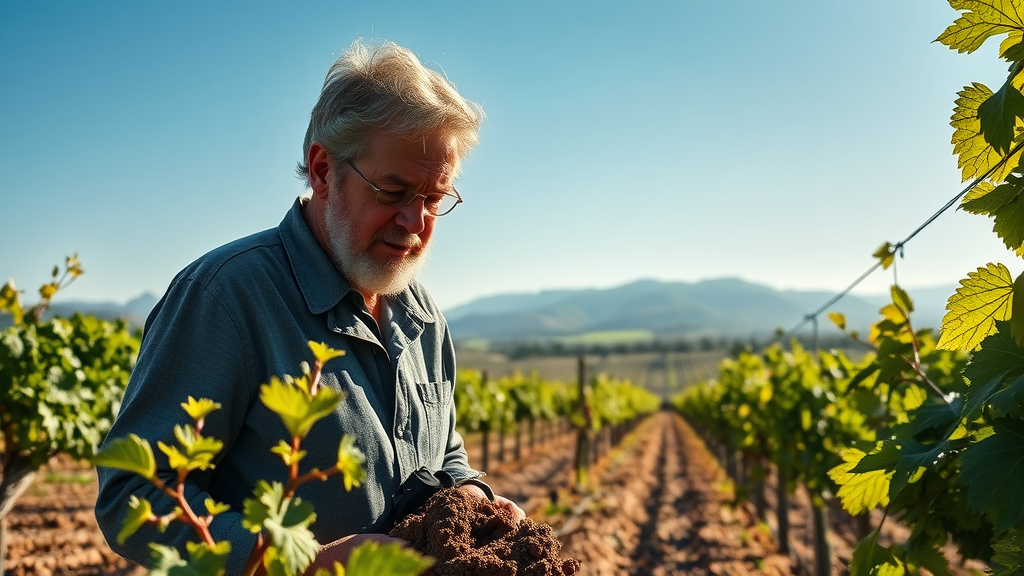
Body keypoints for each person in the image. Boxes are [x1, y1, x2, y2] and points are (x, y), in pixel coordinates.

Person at [95, 39, 524, 574]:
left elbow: (444, 452)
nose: (416, 222)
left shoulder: (424, 315)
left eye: (435, 198)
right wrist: (304, 565)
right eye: (393, 191)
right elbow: (132, 495)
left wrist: (473, 499)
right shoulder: (226, 298)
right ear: (323, 170)